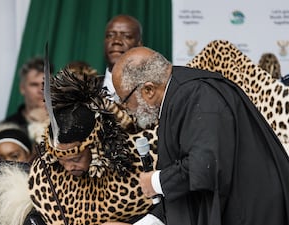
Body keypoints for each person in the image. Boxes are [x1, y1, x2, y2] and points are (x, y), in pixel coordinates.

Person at [111, 46, 289, 225]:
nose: (126, 109)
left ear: (149, 89)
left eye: (125, 100)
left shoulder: (196, 94)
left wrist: (156, 181)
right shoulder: (179, 94)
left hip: (250, 212)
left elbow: (206, 166)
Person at [28, 68, 157, 225]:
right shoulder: (46, 179)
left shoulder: (139, 159)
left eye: (76, 158)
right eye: (61, 160)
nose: (69, 167)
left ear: (95, 146)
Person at [3, 57, 54, 146]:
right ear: (22, 88)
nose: (41, 90)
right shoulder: (8, 125)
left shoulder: (67, 120)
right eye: (34, 84)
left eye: (46, 84)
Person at [103, 15, 143, 99]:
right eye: (110, 35)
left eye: (126, 36)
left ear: (139, 45)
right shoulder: (86, 88)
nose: (116, 41)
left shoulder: (150, 90)